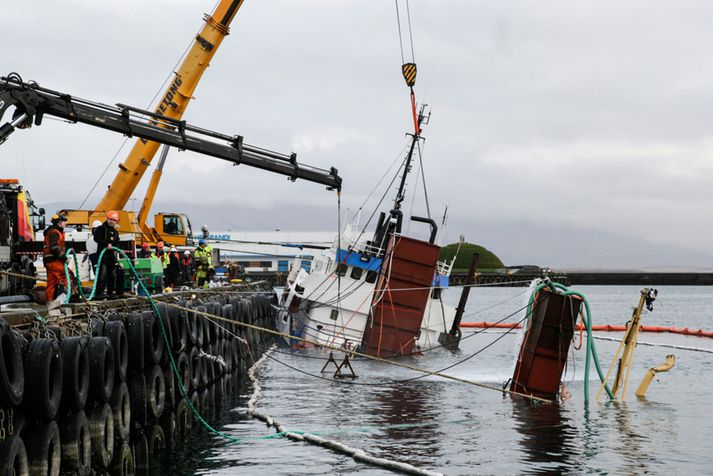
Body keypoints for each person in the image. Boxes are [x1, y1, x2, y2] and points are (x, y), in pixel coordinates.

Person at [93, 210, 121, 298]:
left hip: (111, 255)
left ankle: (110, 292)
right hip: (102, 254)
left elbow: (117, 242)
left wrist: (117, 249)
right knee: (102, 274)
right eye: (110, 219)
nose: (111, 221)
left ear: (116, 221)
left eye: (113, 220)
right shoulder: (101, 228)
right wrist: (106, 245)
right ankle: (99, 293)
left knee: (112, 274)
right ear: (107, 219)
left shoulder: (115, 232)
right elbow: (96, 238)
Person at [43, 214, 68, 302]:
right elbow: (54, 248)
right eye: (64, 222)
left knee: (52, 283)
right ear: (59, 223)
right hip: (54, 261)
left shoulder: (53, 232)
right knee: (67, 277)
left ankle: (50, 302)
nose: (66, 224)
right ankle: (65, 300)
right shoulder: (55, 233)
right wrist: (64, 258)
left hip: (50, 261)